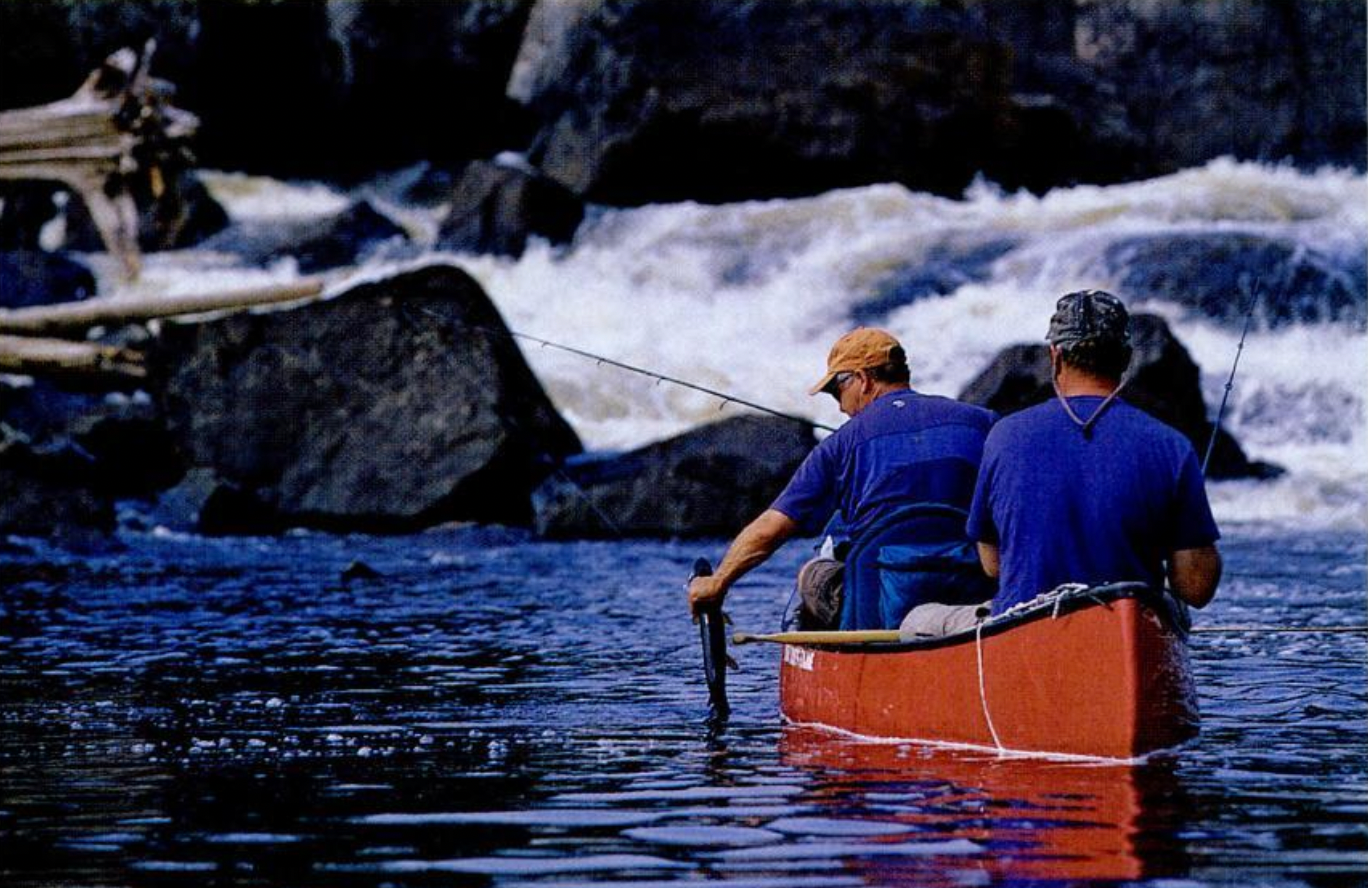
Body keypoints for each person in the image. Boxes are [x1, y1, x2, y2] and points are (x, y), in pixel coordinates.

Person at [900, 290, 1222, 639]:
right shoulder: (1171, 445)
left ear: (1055, 357)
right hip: (1123, 631)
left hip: (1022, 629)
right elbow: (1196, 586)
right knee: (1169, 605)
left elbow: (993, 565)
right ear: (1125, 358)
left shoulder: (1003, 436)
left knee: (916, 620)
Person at [687, 327, 995, 630]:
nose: (839, 405)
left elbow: (772, 526)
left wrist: (718, 582)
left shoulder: (838, 445)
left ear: (863, 380)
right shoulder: (984, 422)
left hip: (875, 608)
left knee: (813, 569)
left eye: (837, 390)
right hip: (974, 586)